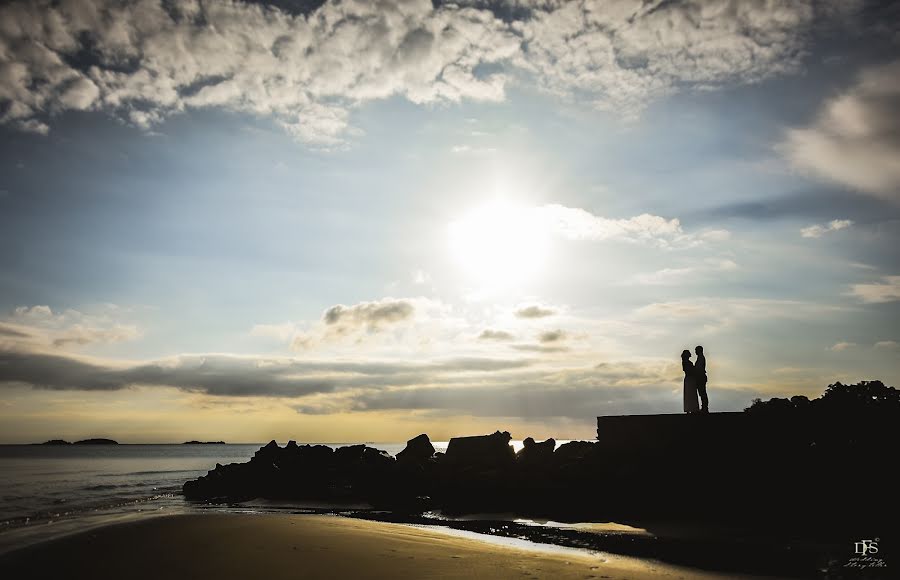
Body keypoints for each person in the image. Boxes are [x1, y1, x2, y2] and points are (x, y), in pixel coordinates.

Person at [681, 349, 700, 414]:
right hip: (690, 379)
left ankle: (690, 408)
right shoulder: (687, 362)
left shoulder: (685, 362)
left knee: (689, 394)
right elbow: (689, 371)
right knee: (691, 394)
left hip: (689, 379)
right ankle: (692, 408)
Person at [695, 345, 709, 413]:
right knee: (702, 393)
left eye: (696, 350)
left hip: (701, 377)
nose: (695, 352)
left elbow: (699, 368)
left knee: (702, 393)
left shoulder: (700, 358)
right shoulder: (700, 358)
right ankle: (704, 407)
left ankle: (705, 408)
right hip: (701, 377)